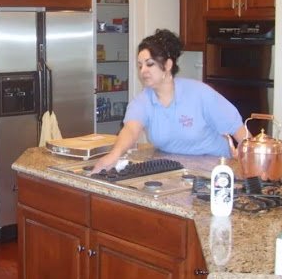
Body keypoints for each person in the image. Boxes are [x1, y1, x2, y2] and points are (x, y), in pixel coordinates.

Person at [92, 29, 247, 173]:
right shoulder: (142, 101)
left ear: (167, 65)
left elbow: (239, 131)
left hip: (216, 170)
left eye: (149, 64)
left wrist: (253, 164)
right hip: (173, 170)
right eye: (140, 66)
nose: (143, 71)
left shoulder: (200, 93)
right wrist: (115, 154)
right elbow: (131, 130)